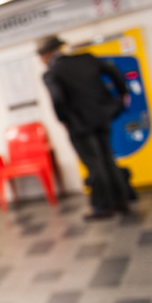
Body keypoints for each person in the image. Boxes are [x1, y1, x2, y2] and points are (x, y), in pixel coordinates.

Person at [37, 34, 131, 220]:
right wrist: (122, 93)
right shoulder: (85, 59)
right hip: (102, 117)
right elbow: (113, 70)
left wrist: (64, 120)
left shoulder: (52, 73)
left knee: (94, 164)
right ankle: (121, 201)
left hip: (79, 124)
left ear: (46, 54)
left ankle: (103, 207)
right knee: (107, 158)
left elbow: (58, 99)